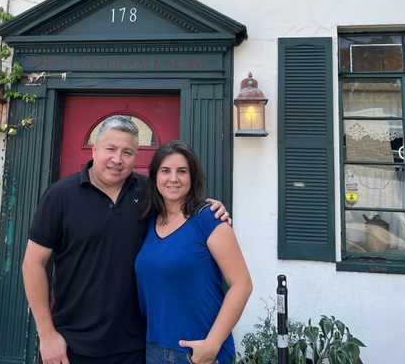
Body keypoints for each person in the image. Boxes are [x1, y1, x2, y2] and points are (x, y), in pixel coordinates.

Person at [22, 116, 229, 364]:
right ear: (94, 149)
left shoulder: (149, 193)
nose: (117, 159)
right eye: (110, 149)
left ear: (136, 157)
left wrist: (213, 208)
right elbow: (32, 264)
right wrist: (47, 335)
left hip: (136, 346)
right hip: (71, 345)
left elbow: (182, 208)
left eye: (127, 152)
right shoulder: (60, 196)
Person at [135, 140, 252, 364]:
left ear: (192, 177)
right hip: (155, 349)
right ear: (155, 177)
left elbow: (242, 284)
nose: (173, 179)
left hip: (198, 352)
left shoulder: (207, 218)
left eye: (182, 171)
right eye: (165, 171)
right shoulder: (148, 222)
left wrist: (212, 343)